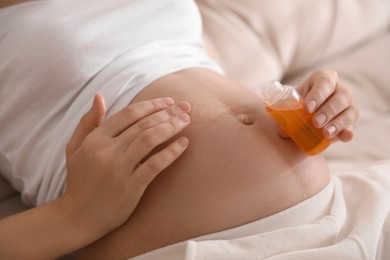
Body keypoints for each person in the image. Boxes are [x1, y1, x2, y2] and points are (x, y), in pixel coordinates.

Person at [1, 0, 386, 259]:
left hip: (346, 211)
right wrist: (74, 216)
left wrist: (316, 102)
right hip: (202, 246)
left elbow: (185, 74)